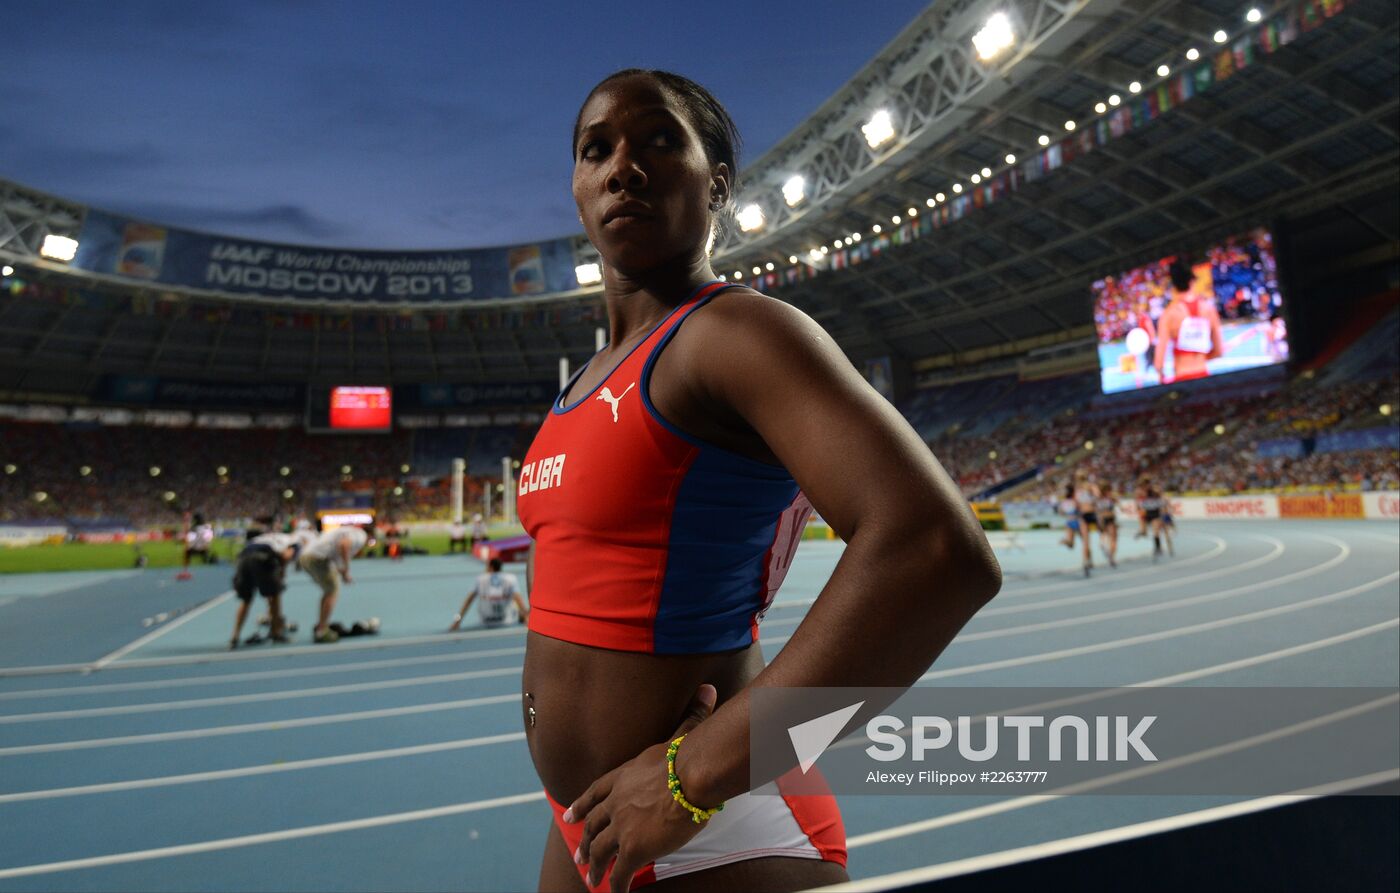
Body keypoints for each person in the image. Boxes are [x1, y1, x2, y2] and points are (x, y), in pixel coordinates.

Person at [518, 69, 1001, 893]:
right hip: (597, 816)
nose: (621, 167)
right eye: (596, 149)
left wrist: (691, 774)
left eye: (660, 140)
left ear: (718, 183)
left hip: (715, 819)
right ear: (576, 187)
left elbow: (934, 550)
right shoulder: (584, 382)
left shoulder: (735, 333)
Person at [298, 523, 376, 643]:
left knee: (328, 590)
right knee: (332, 591)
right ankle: (321, 631)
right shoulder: (361, 535)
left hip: (306, 556)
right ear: (370, 535)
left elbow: (336, 553)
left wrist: (343, 573)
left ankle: (321, 625)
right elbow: (344, 545)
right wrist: (346, 568)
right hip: (317, 558)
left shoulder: (347, 530)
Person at [1154, 258, 1224, 385]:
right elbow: (1219, 351)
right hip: (1204, 377)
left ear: (1173, 284)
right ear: (1193, 280)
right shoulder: (1209, 309)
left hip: (1182, 380)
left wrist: (1161, 377)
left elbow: (1159, 362)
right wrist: (1201, 358)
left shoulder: (1169, 314)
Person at [229, 530, 298, 649]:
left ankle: (235, 636)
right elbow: (286, 556)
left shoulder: (264, 537)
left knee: (246, 600)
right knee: (275, 595)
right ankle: (276, 633)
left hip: (243, 558)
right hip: (262, 558)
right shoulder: (293, 542)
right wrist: (281, 573)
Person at [449, 557, 529, 630]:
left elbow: (469, 600)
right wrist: (527, 617)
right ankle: (521, 616)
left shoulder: (480, 579)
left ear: (490, 567)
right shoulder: (511, 578)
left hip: (486, 622)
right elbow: (518, 599)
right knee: (513, 601)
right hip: (508, 622)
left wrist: (458, 620)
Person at [1073, 470, 1100, 577]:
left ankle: (1086, 561)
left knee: (1086, 541)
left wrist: (1091, 495)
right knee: (1086, 541)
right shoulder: (1078, 490)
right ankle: (1087, 561)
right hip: (1084, 515)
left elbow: (1097, 495)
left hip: (1089, 514)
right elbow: (1076, 503)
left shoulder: (1089, 487)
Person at [1096, 482, 1119, 569]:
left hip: (1102, 518)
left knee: (1105, 535)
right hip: (1108, 518)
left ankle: (1103, 545)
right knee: (1113, 538)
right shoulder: (1110, 497)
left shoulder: (1098, 498)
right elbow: (1118, 503)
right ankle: (1111, 557)